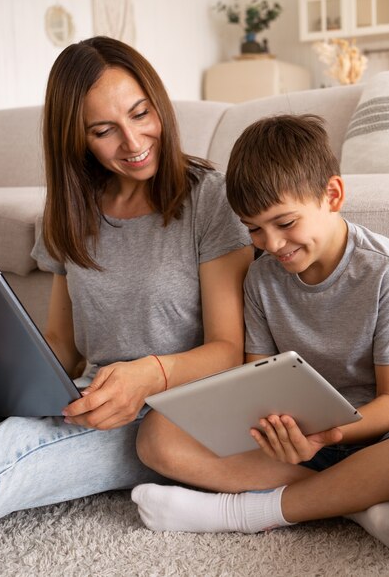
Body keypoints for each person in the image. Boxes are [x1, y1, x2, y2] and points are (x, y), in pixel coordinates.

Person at [0, 36, 252, 532]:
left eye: (141, 113)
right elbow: (62, 344)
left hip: (171, 410)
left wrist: (146, 374)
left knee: (10, 450)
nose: (134, 142)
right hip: (91, 394)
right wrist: (0, 382)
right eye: (105, 130)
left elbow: (229, 349)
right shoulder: (69, 210)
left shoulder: (210, 198)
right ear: (77, 139)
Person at [131, 114, 389, 548]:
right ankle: (353, 500)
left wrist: (330, 435)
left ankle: (247, 512)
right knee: (157, 435)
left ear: (332, 195)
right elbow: (258, 382)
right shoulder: (260, 278)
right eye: (253, 228)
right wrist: (275, 432)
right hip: (293, 445)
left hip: (369, 434)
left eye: (285, 223)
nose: (271, 244)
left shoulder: (381, 273)